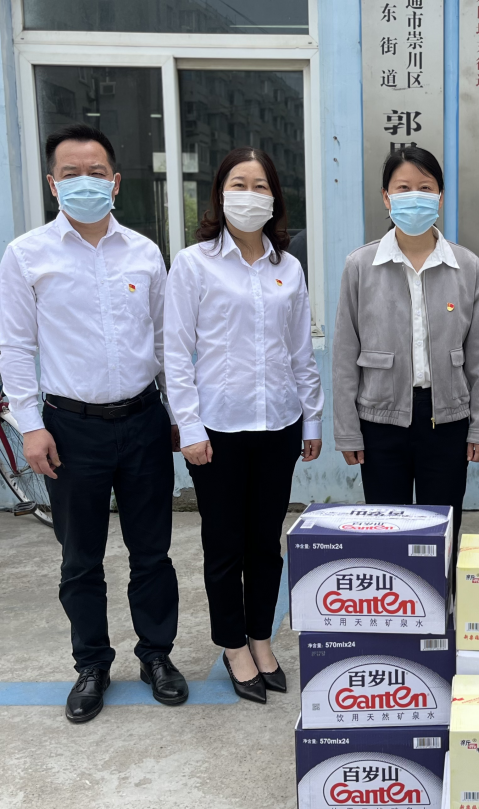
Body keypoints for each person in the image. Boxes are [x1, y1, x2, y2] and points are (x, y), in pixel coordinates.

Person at [0, 124, 186, 723]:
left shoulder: (144, 252)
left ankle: (156, 655)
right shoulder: (27, 254)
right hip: (69, 428)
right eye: (71, 173)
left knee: (152, 551)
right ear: (53, 184)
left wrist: (180, 413)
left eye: (96, 173)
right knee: (80, 557)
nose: (85, 183)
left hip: (143, 420)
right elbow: (14, 346)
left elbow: (167, 341)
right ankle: (92, 663)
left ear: (116, 181)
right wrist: (30, 425)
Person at [164, 147, 323, 703]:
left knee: (265, 543)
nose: (249, 195)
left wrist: (311, 420)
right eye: (239, 183)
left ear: (274, 197)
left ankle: (261, 637)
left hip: (279, 423)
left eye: (260, 185)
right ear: (220, 193)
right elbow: (175, 352)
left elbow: (300, 351)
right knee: (224, 544)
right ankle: (233, 645)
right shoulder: (194, 263)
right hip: (219, 429)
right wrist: (188, 427)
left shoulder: (288, 267)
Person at [333, 145, 479, 548]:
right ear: (386, 197)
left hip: (446, 420)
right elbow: (344, 356)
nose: (414, 196)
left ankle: (441, 592)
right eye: (403, 188)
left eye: (425, 188)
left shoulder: (465, 265)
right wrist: (347, 432)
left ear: (439, 197)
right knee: (387, 535)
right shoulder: (361, 265)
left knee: (439, 534)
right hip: (380, 420)